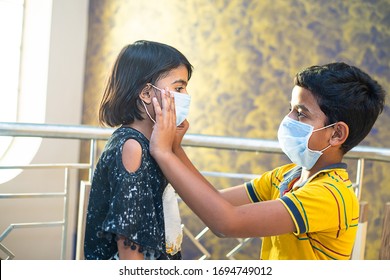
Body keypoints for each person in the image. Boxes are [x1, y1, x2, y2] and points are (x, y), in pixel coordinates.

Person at [149, 62, 386, 260]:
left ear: (336, 134)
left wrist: (164, 153)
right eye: (290, 109)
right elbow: (216, 201)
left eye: (301, 113)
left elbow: (226, 223)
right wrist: (175, 148)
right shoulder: (287, 176)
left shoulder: (330, 196)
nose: (288, 119)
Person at [84, 40, 193, 260]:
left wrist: (173, 146)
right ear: (146, 93)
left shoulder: (151, 143)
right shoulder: (132, 147)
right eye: (179, 88)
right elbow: (130, 250)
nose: (186, 95)